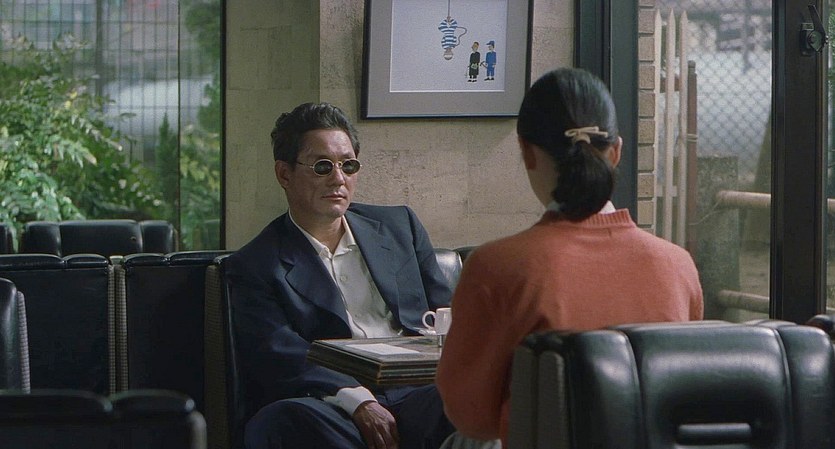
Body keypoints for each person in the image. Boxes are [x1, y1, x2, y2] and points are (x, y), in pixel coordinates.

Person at [435, 68, 704, 448]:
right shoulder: (678, 265)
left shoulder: (496, 267)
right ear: (616, 152)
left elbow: (472, 417)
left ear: (527, 152)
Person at [226, 102, 456, 449]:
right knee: (280, 421)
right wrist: (359, 401)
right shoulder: (255, 263)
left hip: (417, 391)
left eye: (348, 165)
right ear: (284, 174)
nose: (338, 179)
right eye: (322, 167)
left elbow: (449, 315)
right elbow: (279, 354)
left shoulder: (400, 227)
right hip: (334, 404)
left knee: (484, 397)